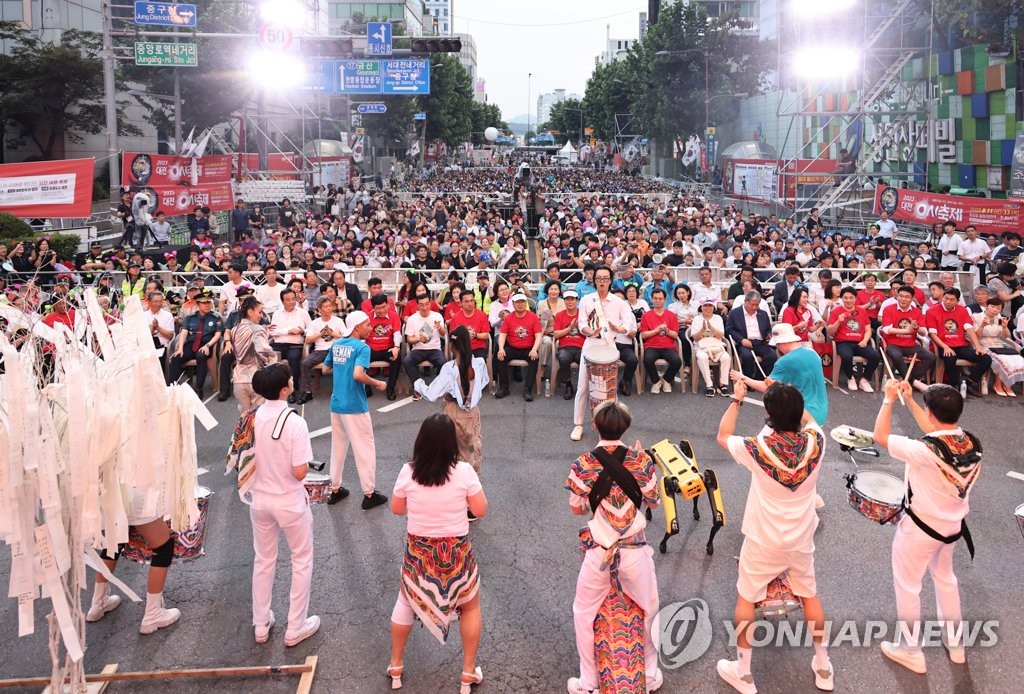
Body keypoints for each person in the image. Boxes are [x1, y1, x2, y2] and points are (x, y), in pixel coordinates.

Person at [716, 381, 832, 694]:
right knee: (809, 594)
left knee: (746, 597)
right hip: (801, 537)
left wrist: (737, 401)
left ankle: (743, 673)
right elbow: (808, 420)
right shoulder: (817, 442)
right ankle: (823, 666)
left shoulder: (757, 448)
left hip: (763, 538)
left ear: (768, 414)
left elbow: (723, 436)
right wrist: (787, 397)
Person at [872, 380, 982, 673]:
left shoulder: (924, 449)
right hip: (952, 527)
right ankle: (956, 644)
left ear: (931, 412)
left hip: (919, 529)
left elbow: (880, 436)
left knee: (908, 586)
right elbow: (937, 431)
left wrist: (889, 400)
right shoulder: (971, 443)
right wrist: (910, 401)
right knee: (946, 579)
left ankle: (911, 650)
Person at [565, 400, 663, 694]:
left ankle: (589, 682)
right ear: (626, 427)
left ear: (594, 426)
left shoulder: (583, 464)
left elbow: (576, 509)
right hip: (635, 550)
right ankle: (649, 674)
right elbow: (654, 501)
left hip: (599, 552)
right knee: (650, 609)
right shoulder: (642, 461)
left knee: (584, 612)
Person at [387, 414, 488, 693]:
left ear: (421, 441)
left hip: (420, 553)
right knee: (469, 606)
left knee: (405, 601)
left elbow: (397, 509)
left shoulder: (408, 472)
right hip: (456, 553)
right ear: (451, 443)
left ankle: (396, 666)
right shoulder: (464, 472)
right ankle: (468, 672)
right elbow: (479, 510)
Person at [245, 363, 320, 647]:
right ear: (284, 390)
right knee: (301, 560)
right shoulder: (295, 422)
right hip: (289, 501)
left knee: (263, 560)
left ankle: (261, 624)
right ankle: (295, 626)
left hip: (259, 500)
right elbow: (300, 472)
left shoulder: (250, 418)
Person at [321, 310, 389, 509]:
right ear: (357, 326)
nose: (370, 327)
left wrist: (342, 369)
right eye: (367, 324)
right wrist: (377, 383)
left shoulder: (337, 344)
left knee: (338, 447)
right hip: (355, 405)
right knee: (364, 448)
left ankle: (335, 488)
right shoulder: (362, 347)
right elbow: (358, 375)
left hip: (337, 404)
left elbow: (325, 369)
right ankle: (369, 494)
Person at [414, 326, 488, 473]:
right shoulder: (479, 363)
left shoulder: (449, 368)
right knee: (472, 450)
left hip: (452, 411)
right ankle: (473, 488)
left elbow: (432, 394)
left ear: (452, 346)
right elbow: (484, 381)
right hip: (473, 412)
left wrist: (418, 384)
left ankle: (456, 490)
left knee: (453, 455)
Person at [571, 266, 633, 442]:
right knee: (583, 386)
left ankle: (610, 428)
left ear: (611, 280)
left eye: (606, 279)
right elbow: (581, 322)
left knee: (610, 389)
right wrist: (589, 331)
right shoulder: (586, 300)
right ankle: (578, 424)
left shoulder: (619, 302)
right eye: (599, 279)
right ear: (594, 280)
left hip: (610, 346)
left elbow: (629, 323)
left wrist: (619, 328)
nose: (602, 282)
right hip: (590, 344)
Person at [734, 323, 830, 427]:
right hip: (821, 412)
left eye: (777, 344)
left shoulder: (785, 361)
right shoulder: (813, 353)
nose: (777, 347)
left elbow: (767, 386)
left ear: (781, 342)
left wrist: (743, 378)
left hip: (801, 415)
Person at [924, 288, 991, 397]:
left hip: (961, 345)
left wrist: (977, 346)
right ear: (943, 297)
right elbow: (932, 334)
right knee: (950, 357)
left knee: (986, 358)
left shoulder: (962, 310)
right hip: (943, 345)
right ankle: (955, 384)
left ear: (957, 301)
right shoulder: (932, 311)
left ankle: (968, 384)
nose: (948, 301)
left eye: (952, 299)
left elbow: (969, 329)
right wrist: (945, 347)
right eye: (946, 298)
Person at [169, 290, 223, 397]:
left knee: (201, 356)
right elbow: (183, 333)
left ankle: (199, 388)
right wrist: (180, 348)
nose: (207, 305)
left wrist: (207, 345)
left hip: (207, 344)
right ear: (197, 304)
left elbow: (217, 335)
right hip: (191, 344)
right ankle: (172, 388)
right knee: (176, 358)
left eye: (209, 303)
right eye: (204, 303)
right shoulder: (190, 317)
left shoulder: (216, 317)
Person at [880, 285, 935, 389]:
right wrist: (907, 330)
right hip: (893, 344)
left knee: (931, 357)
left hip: (911, 344)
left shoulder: (916, 311)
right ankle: (911, 382)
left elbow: (924, 332)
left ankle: (906, 381)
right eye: (901, 296)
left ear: (912, 298)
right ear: (897, 296)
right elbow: (887, 329)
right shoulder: (889, 309)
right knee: (896, 356)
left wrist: (917, 328)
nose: (903, 299)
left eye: (907, 297)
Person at [827, 286, 881, 392]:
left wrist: (865, 340)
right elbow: (830, 332)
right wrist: (838, 321)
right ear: (841, 299)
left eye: (851, 298)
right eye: (845, 298)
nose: (848, 300)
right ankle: (850, 377)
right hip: (843, 342)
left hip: (860, 342)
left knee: (875, 356)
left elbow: (868, 330)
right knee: (847, 356)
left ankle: (864, 380)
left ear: (855, 299)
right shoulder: (836, 311)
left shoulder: (862, 311)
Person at [295, 296, 345, 405]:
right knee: (305, 363)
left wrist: (332, 334)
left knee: (345, 362)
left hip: (336, 349)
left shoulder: (338, 321)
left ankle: (343, 391)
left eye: (329, 306)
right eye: (326, 307)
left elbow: (346, 337)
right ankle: (307, 392)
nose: (329, 308)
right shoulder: (315, 323)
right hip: (320, 351)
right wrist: (320, 334)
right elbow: (308, 340)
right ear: (319, 309)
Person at [232, 296, 278, 411]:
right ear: (250, 312)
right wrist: (274, 364)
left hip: (239, 379)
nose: (261, 315)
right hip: (256, 378)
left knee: (245, 418)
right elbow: (264, 351)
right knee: (258, 417)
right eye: (260, 312)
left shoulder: (234, 329)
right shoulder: (258, 329)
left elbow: (249, 343)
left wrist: (264, 330)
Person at [495, 292, 542, 401]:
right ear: (513, 303)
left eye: (522, 302)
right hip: (513, 347)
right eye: (517, 302)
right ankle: (504, 387)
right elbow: (502, 335)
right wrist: (501, 348)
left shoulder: (533, 317)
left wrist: (534, 349)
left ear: (526, 303)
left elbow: (538, 335)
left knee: (534, 358)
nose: (520, 304)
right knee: (501, 357)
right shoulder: (509, 318)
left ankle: (528, 389)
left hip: (528, 347)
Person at [973, 297, 1024, 396]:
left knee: (1016, 359)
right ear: (987, 306)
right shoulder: (977, 317)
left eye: (998, 308)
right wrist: (982, 326)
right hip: (982, 344)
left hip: (998, 344)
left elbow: (1005, 336)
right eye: (992, 306)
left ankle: (1007, 384)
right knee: (1001, 359)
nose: (994, 310)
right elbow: (975, 336)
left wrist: (1005, 327)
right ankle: (997, 384)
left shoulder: (1000, 318)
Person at [270, 288, 311, 402]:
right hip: (279, 343)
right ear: (282, 301)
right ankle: (274, 388)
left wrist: (302, 331)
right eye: (288, 300)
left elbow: (311, 329)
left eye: (293, 299)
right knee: (272, 358)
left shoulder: (303, 313)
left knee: (293, 359)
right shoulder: (277, 314)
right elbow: (272, 332)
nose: (292, 302)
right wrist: (288, 331)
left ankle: (292, 391)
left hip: (295, 344)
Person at [639, 288, 682, 394]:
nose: (658, 301)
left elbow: (675, 334)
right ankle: (656, 381)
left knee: (677, 361)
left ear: (665, 299)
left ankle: (666, 380)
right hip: (652, 346)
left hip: (668, 346)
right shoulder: (646, 315)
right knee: (648, 359)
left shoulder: (671, 315)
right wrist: (657, 330)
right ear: (652, 299)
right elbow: (644, 335)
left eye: (660, 298)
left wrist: (667, 330)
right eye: (655, 298)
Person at [726, 291, 777, 379]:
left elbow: (768, 328)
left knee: (772, 356)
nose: (754, 307)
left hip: (760, 342)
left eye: (757, 305)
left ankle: (759, 378)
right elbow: (729, 329)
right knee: (747, 357)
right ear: (746, 301)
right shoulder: (735, 313)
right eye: (752, 304)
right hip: (744, 341)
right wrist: (741, 340)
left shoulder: (763, 313)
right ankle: (748, 381)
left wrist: (768, 335)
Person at [404, 294, 447, 399]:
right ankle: (417, 388)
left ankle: (438, 387)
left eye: (427, 304)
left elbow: (444, 333)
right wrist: (418, 339)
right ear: (417, 305)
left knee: (443, 363)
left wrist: (440, 327)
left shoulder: (437, 316)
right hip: (418, 349)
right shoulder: (412, 319)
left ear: (430, 304)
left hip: (434, 349)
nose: (424, 307)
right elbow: (409, 339)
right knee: (407, 361)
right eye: (421, 305)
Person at [690, 298, 732, 397]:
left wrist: (711, 328)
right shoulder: (697, 319)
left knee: (726, 357)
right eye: (705, 306)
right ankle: (709, 385)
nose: (708, 308)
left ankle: (723, 385)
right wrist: (703, 329)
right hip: (701, 347)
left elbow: (721, 336)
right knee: (702, 357)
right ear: (701, 307)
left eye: (710, 306)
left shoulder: (718, 318)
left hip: (716, 346)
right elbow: (695, 338)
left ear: (714, 307)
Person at [553, 290, 585, 399]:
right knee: (563, 357)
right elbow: (556, 335)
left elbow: (589, 333)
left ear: (577, 300)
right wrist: (569, 328)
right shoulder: (559, 315)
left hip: (581, 347)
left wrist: (579, 329)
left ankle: (583, 387)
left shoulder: (583, 314)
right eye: (567, 299)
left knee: (585, 358)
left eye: (572, 299)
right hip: (565, 347)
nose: (570, 302)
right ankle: (568, 385)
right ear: (564, 301)